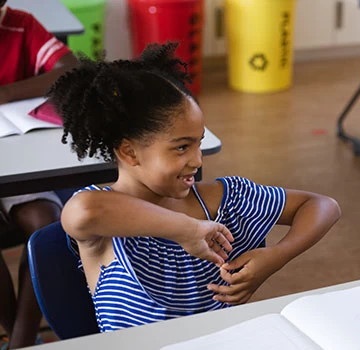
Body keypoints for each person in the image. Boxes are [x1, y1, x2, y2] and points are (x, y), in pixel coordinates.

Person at [47, 43, 341, 332]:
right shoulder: (104, 222)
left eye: (198, 143)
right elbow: (83, 211)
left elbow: (323, 205)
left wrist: (277, 256)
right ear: (129, 153)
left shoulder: (225, 200)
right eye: (181, 148)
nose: (197, 160)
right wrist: (184, 229)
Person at [0, 1, 78, 348]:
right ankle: (19, 333)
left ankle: (21, 340)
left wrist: (6, 94)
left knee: (47, 221)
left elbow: (70, 69)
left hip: (16, 160)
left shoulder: (20, 25)